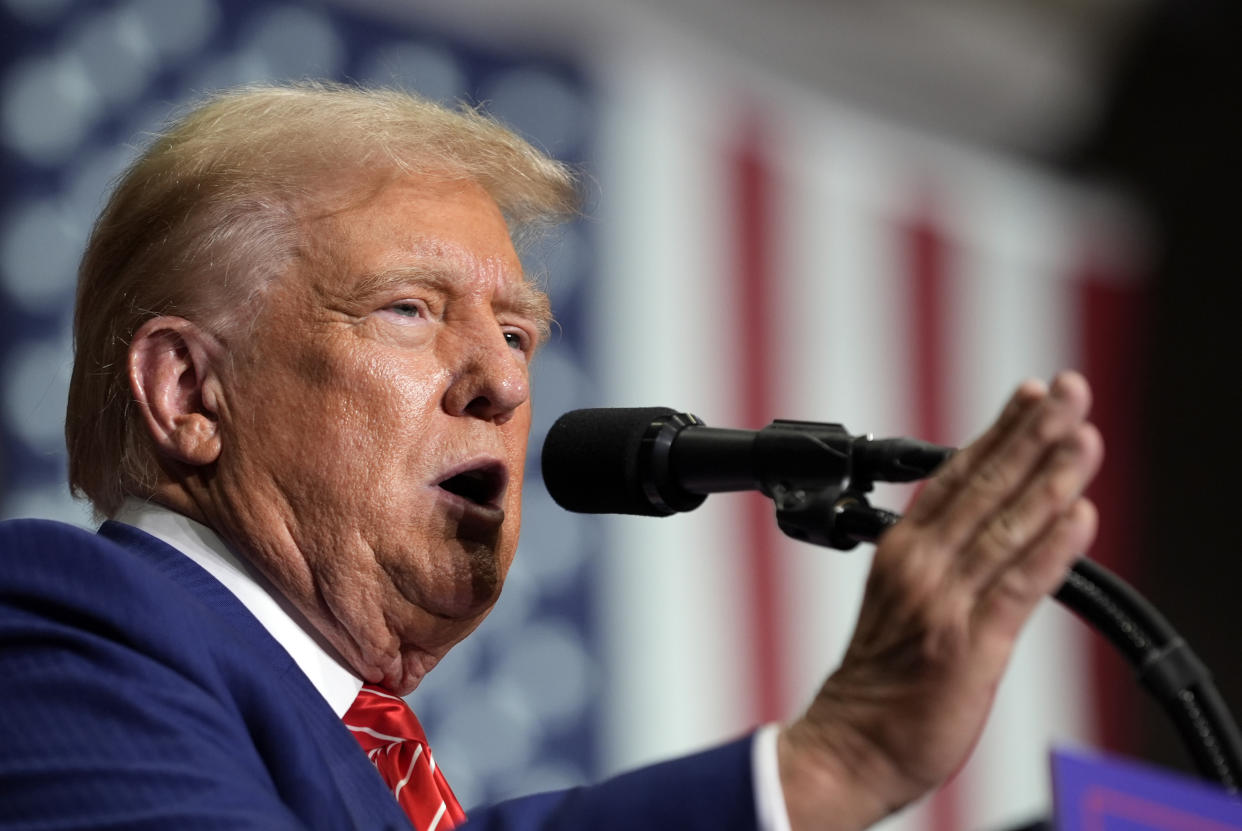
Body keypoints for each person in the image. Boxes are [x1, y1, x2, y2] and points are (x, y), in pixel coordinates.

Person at [0, 83, 1103, 831]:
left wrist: (838, 765)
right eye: (407, 309)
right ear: (188, 393)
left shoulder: (364, 767)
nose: (505, 381)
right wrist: (832, 762)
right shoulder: (56, 623)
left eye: (518, 332)